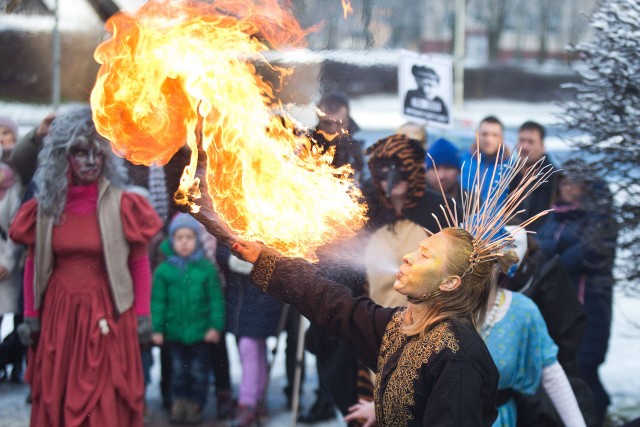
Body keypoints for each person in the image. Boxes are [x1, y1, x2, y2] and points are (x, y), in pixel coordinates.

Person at [9, 106, 162, 427]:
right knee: (57, 391)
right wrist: (32, 316)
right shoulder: (47, 206)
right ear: (64, 156)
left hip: (107, 311)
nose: (90, 161)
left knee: (105, 395)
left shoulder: (124, 203)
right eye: (80, 153)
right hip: (58, 315)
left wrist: (142, 314)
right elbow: (34, 264)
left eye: (97, 153)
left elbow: (138, 263)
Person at [535, 163, 617, 426]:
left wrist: (555, 254)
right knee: (566, 372)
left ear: (587, 187)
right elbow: (539, 249)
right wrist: (559, 250)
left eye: (576, 183)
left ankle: (596, 415)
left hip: (591, 309)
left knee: (586, 368)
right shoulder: (554, 216)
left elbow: (584, 254)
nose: (570, 188)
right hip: (559, 313)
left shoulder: (599, 219)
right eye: (566, 182)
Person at [363, 133, 462, 308]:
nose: (393, 179)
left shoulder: (441, 209)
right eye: (385, 171)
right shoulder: (365, 212)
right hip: (372, 319)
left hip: (426, 318)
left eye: (401, 169)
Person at [151, 213, 225, 425]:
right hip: (174, 333)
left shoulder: (206, 269)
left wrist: (215, 326)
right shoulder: (164, 271)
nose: (184, 242)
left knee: (198, 373)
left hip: (200, 333)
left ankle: (195, 406)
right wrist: (157, 329)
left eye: (189, 237)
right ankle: (178, 404)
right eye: (179, 237)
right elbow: (158, 302)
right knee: (177, 372)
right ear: (172, 240)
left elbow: (216, 301)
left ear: (197, 240)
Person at [216, 242, 284, 427]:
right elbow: (222, 251)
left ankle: (248, 402)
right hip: (240, 297)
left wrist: (249, 260)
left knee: (249, 346)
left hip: (261, 297)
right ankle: (258, 398)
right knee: (254, 348)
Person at [0, 116, 24, 383]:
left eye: (6, 132)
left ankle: (14, 362)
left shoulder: (18, 174)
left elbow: (17, 220)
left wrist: (8, 260)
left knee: (19, 318)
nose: (1, 138)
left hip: (13, 257)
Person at [510, 121, 559, 231]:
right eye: (521, 140)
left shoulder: (554, 178)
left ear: (542, 146)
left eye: (531, 142)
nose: (524, 146)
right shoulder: (508, 174)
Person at [309, 91, 364, 178]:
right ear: (319, 119)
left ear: (348, 119)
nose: (333, 129)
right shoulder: (305, 143)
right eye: (327, 123)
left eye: (339, 123)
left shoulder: (364, 145)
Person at [461, 116, 510, 207]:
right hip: (460, 219)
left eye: (494, 135)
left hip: (496, 220)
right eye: (485, 134)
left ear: (501, 138)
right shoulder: (462, 160)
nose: (489, 140)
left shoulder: (510, 167)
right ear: (477, 135)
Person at [425, 137, 462, 204]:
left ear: (458, 171)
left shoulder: (472, 202)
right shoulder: (413, 202)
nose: (441, 176)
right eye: (435, 168)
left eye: (448, 168)